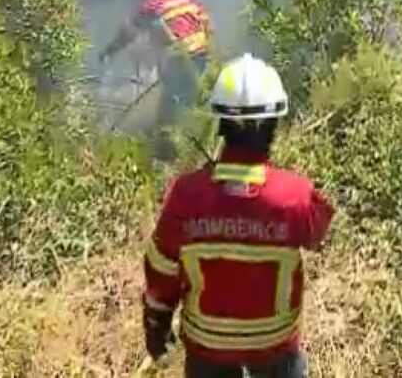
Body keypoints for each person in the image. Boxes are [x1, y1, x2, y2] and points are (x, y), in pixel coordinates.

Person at [141, 53, 336, 378]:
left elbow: (160, 269)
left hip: (207, 358)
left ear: (221, 123)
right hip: (276, 357)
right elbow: (320, 232)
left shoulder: (185, 195)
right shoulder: (296, 196)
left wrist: (157, 325)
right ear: (274, 125)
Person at [99, 0, 211, 156]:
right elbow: (207, 23)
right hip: (201, 55)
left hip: (180, 59)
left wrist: (109, 51)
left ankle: (167, 155)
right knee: (191, 101)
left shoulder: (151, 4)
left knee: (168, 111)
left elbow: (128, 34)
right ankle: (196, 146)